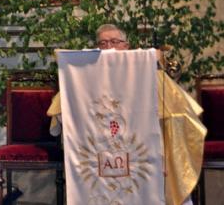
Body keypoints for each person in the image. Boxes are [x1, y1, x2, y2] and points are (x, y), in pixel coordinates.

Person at [48, 23, 205, 205]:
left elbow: (179, 114)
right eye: (103, 43)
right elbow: (64, 110)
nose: (109, 47)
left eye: (114, 42)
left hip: (145, 152)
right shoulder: (83, 78)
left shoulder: (150, 75)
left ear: (126, 46)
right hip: (97, 152)